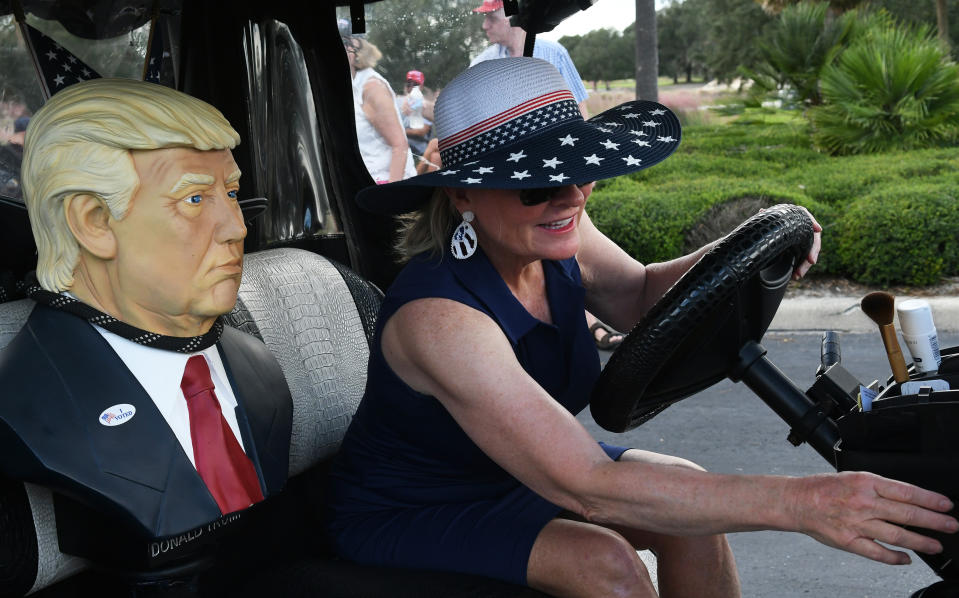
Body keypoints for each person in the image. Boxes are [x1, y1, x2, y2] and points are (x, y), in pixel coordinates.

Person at [325, 57, 957, 597]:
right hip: (416, 505)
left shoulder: (555, 236)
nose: (570, 195)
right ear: (463, 194)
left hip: (520, 469)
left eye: (579, 169)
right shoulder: (440, 319)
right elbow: (589, 485)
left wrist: (758, 247)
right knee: (608, 565)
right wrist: (804, 502)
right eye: (539, 181)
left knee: (693, 502)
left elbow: (641, 294)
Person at [0, 79, 292, 554]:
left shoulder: (256, 366)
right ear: (93, 221)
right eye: (194, 200)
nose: (237, 228)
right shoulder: (25, 398)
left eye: (232, 193)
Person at [472, 0, 624, 350]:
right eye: (485, 19)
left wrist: (583, 169)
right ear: (464, 194)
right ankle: (586, 324)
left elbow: (578, 115)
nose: (486, 26)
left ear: (510, 17)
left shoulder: (551, 53)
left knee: (562, 260)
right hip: (509, 174)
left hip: (557, 164)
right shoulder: (483, 63)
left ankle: (578, 319)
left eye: (491, 17)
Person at [345, 35, 416, 184]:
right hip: (362, 185)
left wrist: (389, 197)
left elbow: (400, 146)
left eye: (347, 44)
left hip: (384, 186)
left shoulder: (372, 87)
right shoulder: (349, 87)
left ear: (358, 55)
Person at [399, 69, 433, 157]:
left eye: (416, 84)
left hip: (418, 150)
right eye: (409, 84)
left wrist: (400, 131)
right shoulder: (399, 101)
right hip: (400, 146)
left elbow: (422, 131)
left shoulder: (425, 105)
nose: (412, 87)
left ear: (421, 86)